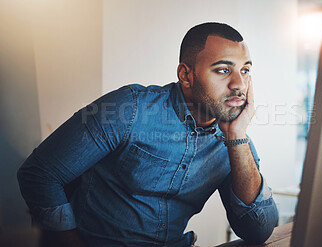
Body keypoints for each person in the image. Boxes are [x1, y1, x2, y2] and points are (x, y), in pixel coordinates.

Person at [17, 22, 278, 247]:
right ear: (185, 75)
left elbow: (259, 230)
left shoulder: (234, 140)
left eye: (245, 70)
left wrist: (236, 135)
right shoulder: (129, 109)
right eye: (223, 70)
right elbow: (39, 174)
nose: (239, 84)